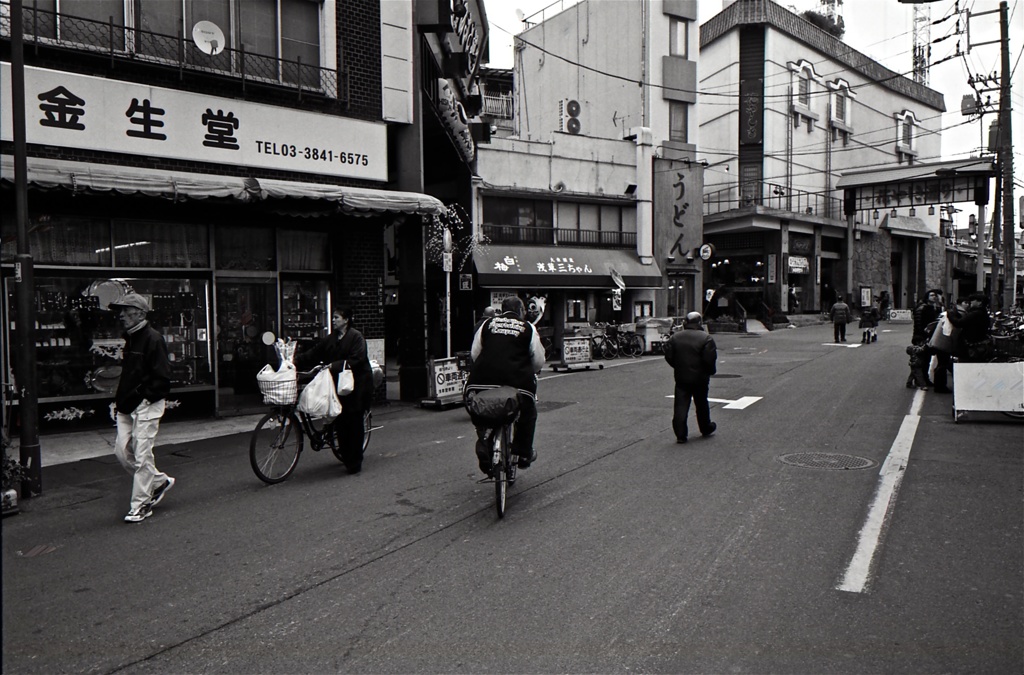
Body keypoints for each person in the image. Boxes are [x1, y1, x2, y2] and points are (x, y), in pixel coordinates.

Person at [110, 293, 174, 523]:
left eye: (126, 311)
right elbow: (129, 375)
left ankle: (141, 504)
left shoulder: (152, 339)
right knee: (122, 452)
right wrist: (120, 402)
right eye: (121, 311)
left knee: (142, 454)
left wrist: (145, 399)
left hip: (145, 405)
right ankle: (158, 481)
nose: (121, 315)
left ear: (140, 313)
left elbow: (162, 378)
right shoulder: (132, 338)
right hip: (128, 405)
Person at [466, 296, 545, 474]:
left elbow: (475, 353)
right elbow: (538, 360)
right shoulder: (528, 328)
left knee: (478, 407)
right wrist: (529, 370)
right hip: (517, 381)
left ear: (501, 310)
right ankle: (523, 453)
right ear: (521, 311)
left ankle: (485, 439)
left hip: (483, 380)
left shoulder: (487, 325)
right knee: (528, 411)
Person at [296, 307, 374, 474]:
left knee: (353, 422)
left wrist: (335, 365)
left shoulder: (356, 337)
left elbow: (357, 359)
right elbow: (315, 352)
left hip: (357, 386)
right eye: (333, 317)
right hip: (339, 385)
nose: (333, 320)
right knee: (341, 421)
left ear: (346, 320)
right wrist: (295, 361)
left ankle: (354, 462)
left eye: (336, 317)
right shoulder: (332, 338)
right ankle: (346, 456)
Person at [663, 311, 718, 443]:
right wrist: (709, 372)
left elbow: (669, 356)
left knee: (681, 404)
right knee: (701, 403)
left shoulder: (675, 337)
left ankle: (681, 434)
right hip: (700, 377)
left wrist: (678, 366)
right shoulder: (706, 338)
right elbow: (709, 360)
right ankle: (705, 427)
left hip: (682, 376)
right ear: (700, 323)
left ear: (685, 322)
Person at [946, 292, 992, 363]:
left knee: (965, 364)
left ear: (980, 302)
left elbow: (959, 323)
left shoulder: (975, 314)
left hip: (970, 346)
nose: (971, 302)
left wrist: (950, 314)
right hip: (975, 345)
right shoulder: (982, 313)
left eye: (974, 300)